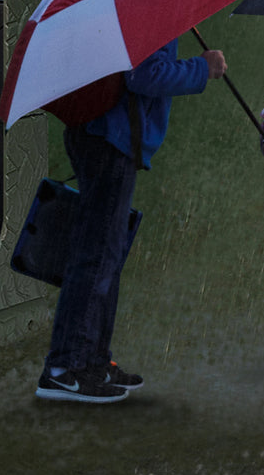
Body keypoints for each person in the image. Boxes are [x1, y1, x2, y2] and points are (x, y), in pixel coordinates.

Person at [36, 37, 227, 404]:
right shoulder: (149, 7)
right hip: (110, 139)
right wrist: (203, 68)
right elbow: (144, 75)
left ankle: (91, 361)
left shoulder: (134, 8)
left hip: (99, 134)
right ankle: (64, 368)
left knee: (104, 255)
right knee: (96, 256)